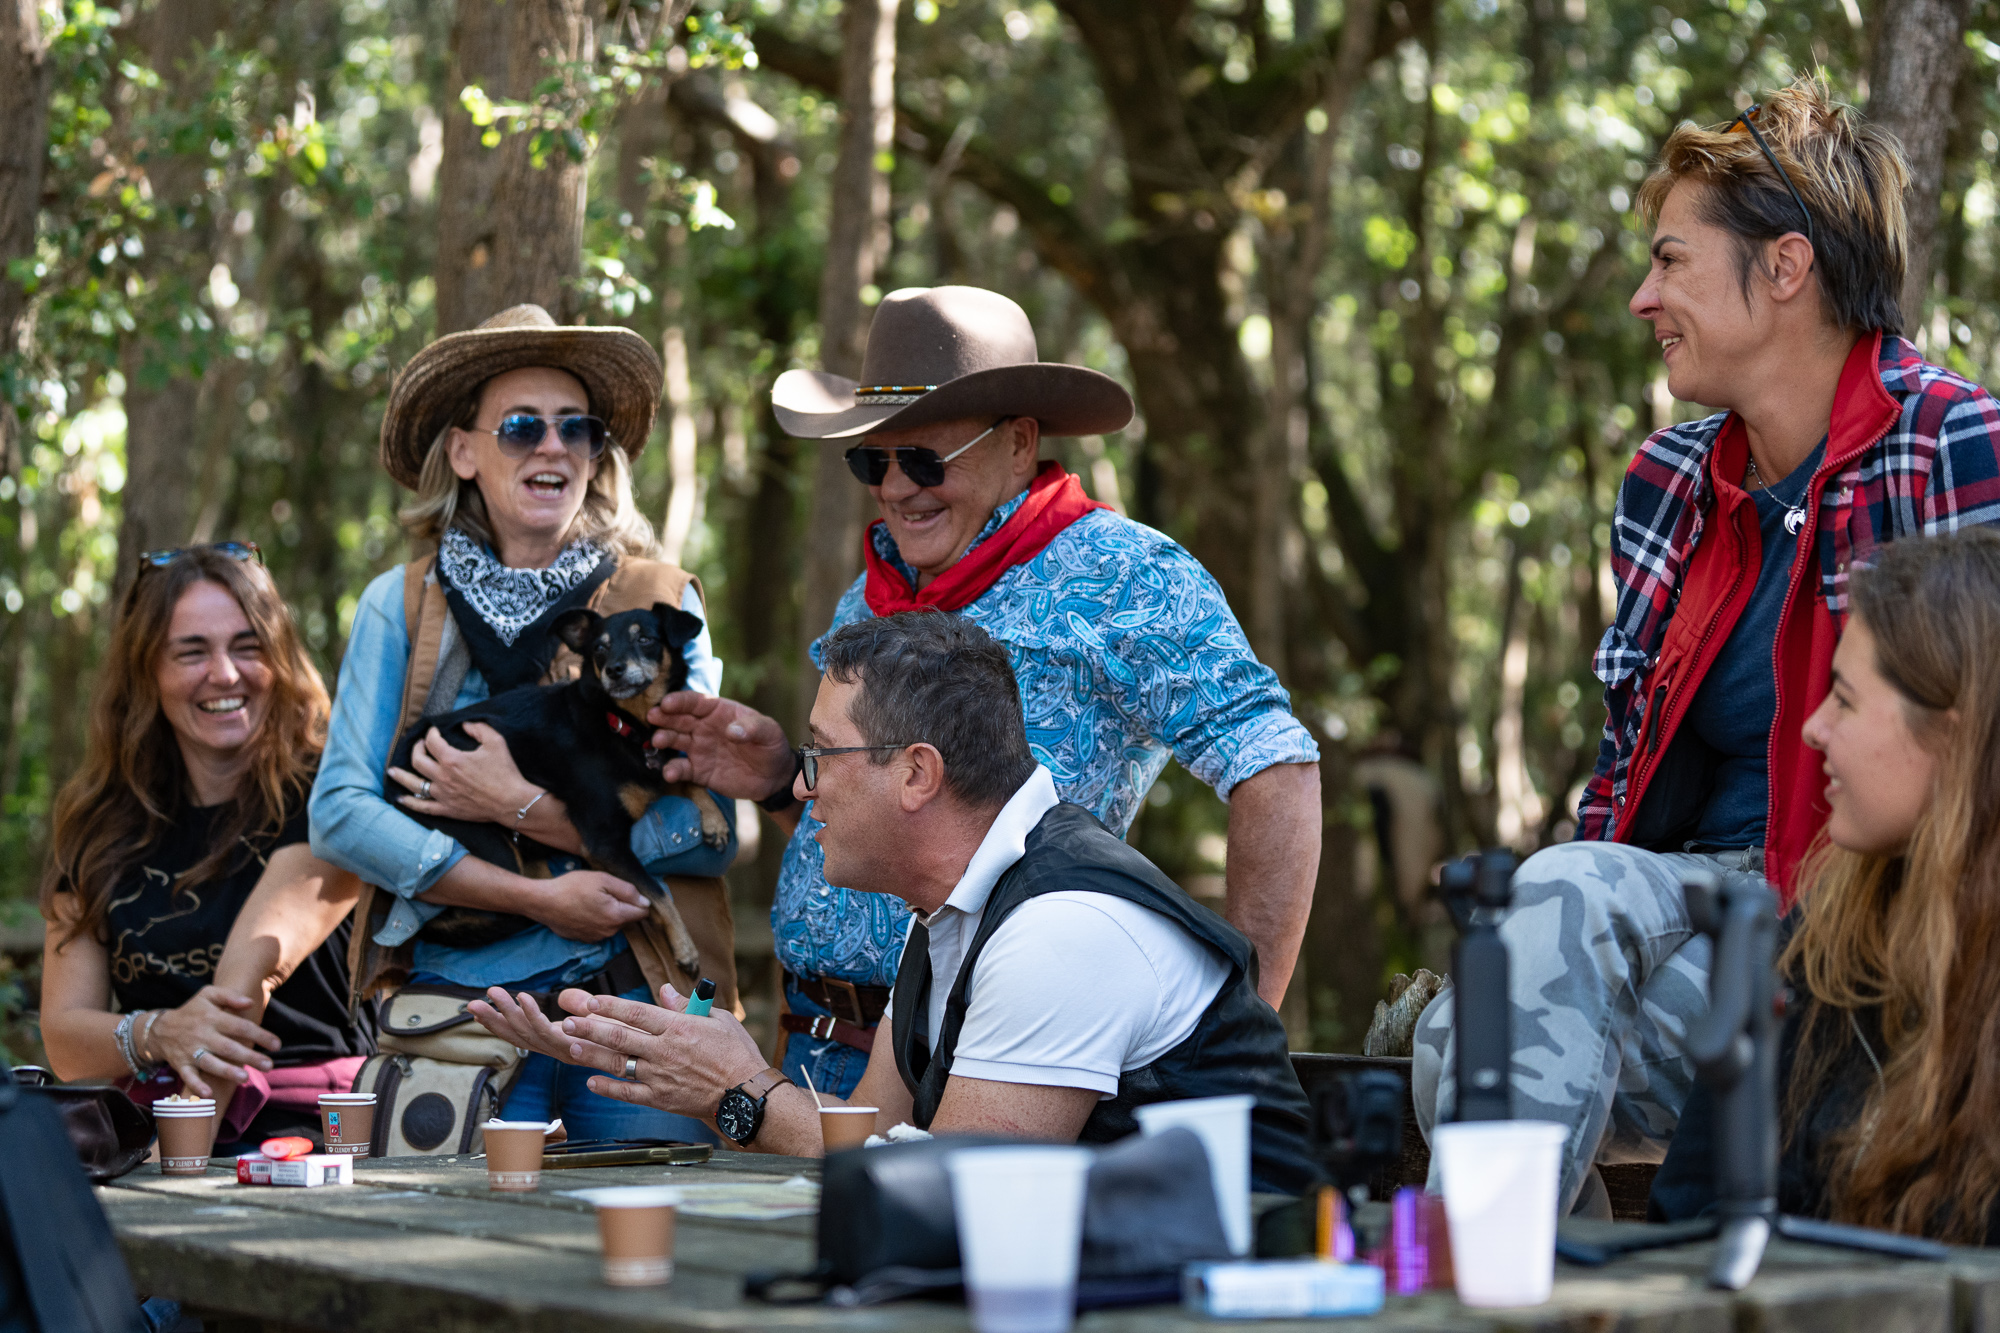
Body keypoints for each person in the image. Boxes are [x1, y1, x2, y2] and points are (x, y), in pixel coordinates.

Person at [1411, 75, 2000, 1216]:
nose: (1642, 296)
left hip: (1877, 922)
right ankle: (1555, 1292)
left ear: (1783, 269)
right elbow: (1625, 766)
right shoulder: (1666, 480)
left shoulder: (1953, 443)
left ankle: (1490, 1289)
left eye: (1669, 260)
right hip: (1701, 914)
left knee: (1515, 967)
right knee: (1469, 1024)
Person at [644, 285, 1323, 1098]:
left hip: (992, 1057)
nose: (896, 487)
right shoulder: (876, 589)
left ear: (1019, 442)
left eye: (925, 459)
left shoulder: (1125, 575)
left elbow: (1275, 766)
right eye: (874, 461)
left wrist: (1239, 1042)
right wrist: (779, 776)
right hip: (810, 1039)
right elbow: (893, 806)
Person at [471, 612, 1319, 1193]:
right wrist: (670, 1062)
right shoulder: (955, 908)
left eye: (823, 752)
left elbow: (954, 1192)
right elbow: (868, 1132)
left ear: (917, 773)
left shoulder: (1063, 928)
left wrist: (743, 1090)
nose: (801, 785)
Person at [308, 304, 736, 1142]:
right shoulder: (397, 604)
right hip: (453, 1013)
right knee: (449, 1260)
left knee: (650, 1257)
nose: (553, 445)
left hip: (635, 1012)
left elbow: (709, 830)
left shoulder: (661, 603)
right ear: (463, 451)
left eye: (576, 427)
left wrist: (521, 808)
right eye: (520, 427)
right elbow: (339, 813)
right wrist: (536, 895)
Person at [1652, 530, 2000, 1244]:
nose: (1812, 728)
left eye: (1843, 698)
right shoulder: (1823, 942)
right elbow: (1690, 1217)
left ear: (1952, 738)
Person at [39, 543, 372, 1151]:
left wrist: (177, 1165)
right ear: (148, 673)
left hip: (314, 1133)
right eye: (191, 652)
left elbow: (242, 992)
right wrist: (156, 1032)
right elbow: (64, 1039)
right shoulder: (99, 824)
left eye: (248, 647)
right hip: (150, 1128)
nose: (224, 674)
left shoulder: (333, 799)